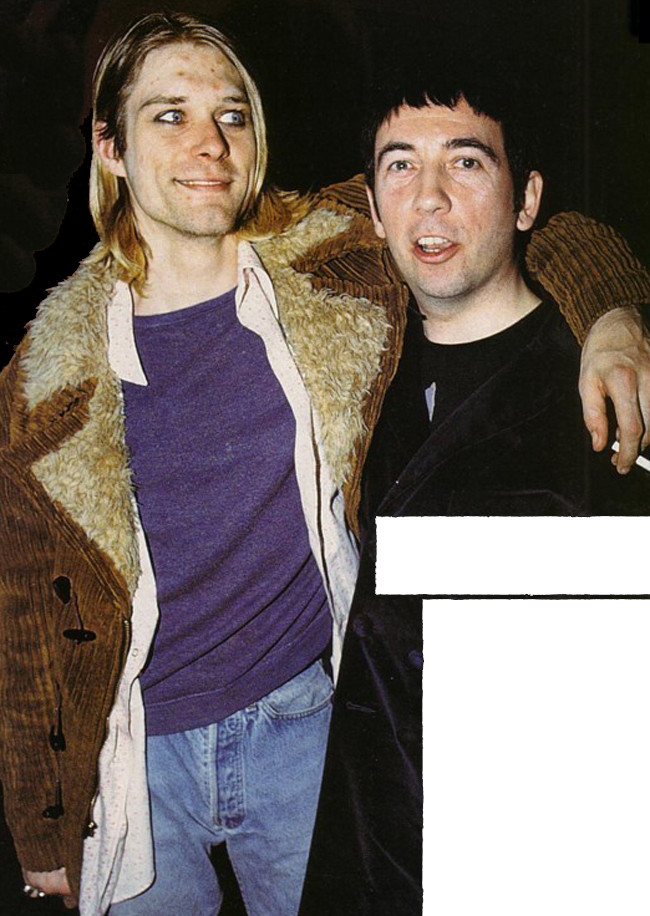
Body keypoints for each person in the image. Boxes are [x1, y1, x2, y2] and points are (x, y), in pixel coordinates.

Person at [0, 10, 649, 916]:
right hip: (136, 755)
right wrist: (41, 822)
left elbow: (528, 222)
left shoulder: (328, 254)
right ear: (109, 146)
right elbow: (25, 602)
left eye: (231, 114)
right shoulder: (45, 372)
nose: (209, 144)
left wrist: (616, 317)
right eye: (169, 115)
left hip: (304, 720)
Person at [298, 72, 650, 916]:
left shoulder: (604, 403)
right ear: (370, 207)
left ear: (527, 200)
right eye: (400, 166)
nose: (429, 198)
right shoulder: (359, 371)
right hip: (371, 849)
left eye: (466, 162)